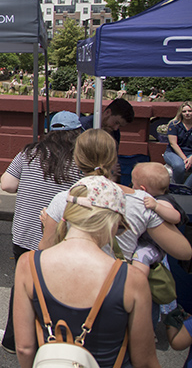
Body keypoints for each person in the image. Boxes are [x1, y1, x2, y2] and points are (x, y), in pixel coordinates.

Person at [12, 176, 160, 368]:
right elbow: (145, 361)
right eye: (120, 227)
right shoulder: (132, 279)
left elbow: (24, 348)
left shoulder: (28, 264)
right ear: (111, 221)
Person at [0, 110, 84, 353]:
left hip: (24, 233)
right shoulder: (80, 159)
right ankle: (52, 340)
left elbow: (7, 184)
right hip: (60, 237)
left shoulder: (29, 152)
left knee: (22, 287)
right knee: (58, 290)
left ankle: (13, 340)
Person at [40, 129, 192, 265]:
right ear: (113, 159)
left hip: (74, 284)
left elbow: (45, 250)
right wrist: (145, 250)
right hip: (118, 285)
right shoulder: (142, 201)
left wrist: (47, 226)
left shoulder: (63, 199)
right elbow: (183, 251)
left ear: (77, 160)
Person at [130, 162, 185, 278]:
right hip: (145, 241)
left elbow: (176, 217)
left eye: (133, 185)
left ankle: (138, 280)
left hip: (155, 246)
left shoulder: (162, 201)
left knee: (141, 256)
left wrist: (157, 207)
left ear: (142, 189)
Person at [163, 101, 192, 186]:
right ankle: (177, 186)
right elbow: (173, 144)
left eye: (190, 111)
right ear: (181, 113)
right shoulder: (174, 125)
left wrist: (190, 159)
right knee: (179, 166)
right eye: (184, 111)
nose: (187, 113)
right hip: (173, 153)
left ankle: (186, 187)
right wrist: (184, 159)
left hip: (190, 153)